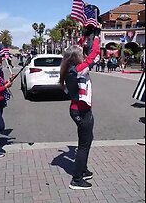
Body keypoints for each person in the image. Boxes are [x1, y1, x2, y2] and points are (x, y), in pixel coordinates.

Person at [59, 25, 101, 190]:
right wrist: (96, 37)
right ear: (76, 58)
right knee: (83, 145)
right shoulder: (76, 71)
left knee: (87, 141)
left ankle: (82, 169)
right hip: (80, 111)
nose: (83, 55)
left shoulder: (70, 68)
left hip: (81, 110)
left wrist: (85, 36)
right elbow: (93, 55)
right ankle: (76, 179)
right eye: (81, 54)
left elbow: (76, 48)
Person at [0, 48, 15, 160]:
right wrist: (5, 86)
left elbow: (0, 84)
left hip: (0, 100)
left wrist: (8, 81)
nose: (2, 59)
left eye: (2, 57)